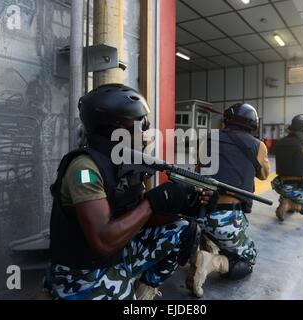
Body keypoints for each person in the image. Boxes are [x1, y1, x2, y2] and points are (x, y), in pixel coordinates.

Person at [43, 84, 213, 300]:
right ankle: (54, 292)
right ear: (115, 130)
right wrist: (152, 202)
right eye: (138, 123)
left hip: (118, 252)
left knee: (183, 229)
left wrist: (187, 205)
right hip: (81, 271)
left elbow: (142, 217)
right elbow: (103, 241)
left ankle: (144, 290)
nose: (144, 130)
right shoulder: (84, 169)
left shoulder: (122, 162)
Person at [186, 103, 270, 298]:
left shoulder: (208, 139)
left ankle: (206, 241)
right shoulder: (258, 145)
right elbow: (265, 175)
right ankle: (211, 262)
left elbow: (199, 172)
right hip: (226, 219)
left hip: (198, 212)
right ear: (252, 124)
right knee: (247, 260)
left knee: (214, 228)